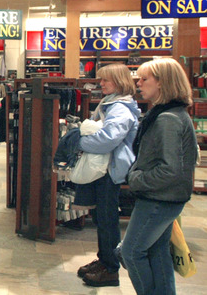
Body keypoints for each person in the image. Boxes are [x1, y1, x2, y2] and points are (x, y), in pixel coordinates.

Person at [120, 58, 197, 294]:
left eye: (144, 79)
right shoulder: (169, 114)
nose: (138, 83)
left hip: (158, 199)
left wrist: (135, 179)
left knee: (131, 252)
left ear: (162, 83)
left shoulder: (167, 119)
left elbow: (170, 169)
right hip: (164, 198)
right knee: (157, 251)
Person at [75, 64, 140, 287]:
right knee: (102, 217)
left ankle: (110, 268)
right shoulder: (112, 103)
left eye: (106, 80)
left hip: (111, 170)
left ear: (119, 81)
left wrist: (80, 142)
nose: (101, 83)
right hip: (107, 167)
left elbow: (108, 140)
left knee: (107, 218)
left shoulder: (120, 108)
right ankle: (104, 260)